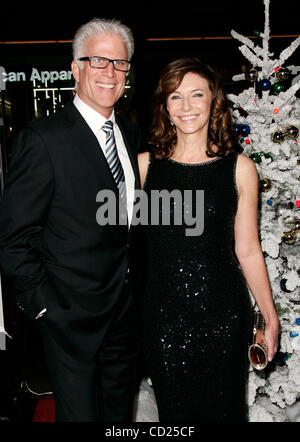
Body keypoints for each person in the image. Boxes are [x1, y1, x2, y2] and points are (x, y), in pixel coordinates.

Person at [0, 18, 141, 422]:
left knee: (120, 417)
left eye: (119, 63)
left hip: (123, 315)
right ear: (75, 68)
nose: (110, 73)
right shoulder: (43, 139)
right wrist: (45, 308)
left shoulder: (130, 134)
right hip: (69, 318)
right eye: (98, 61)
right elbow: (12, 239)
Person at [137, 57, 279, 422]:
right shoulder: (143, 167)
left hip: (224, 317)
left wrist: (269, 315)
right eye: (176, 97)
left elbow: (246, 248)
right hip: (163, 319)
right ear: (165, 107)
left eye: (197, 95)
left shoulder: (240, 168)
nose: (186, 107)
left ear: (213, 102)